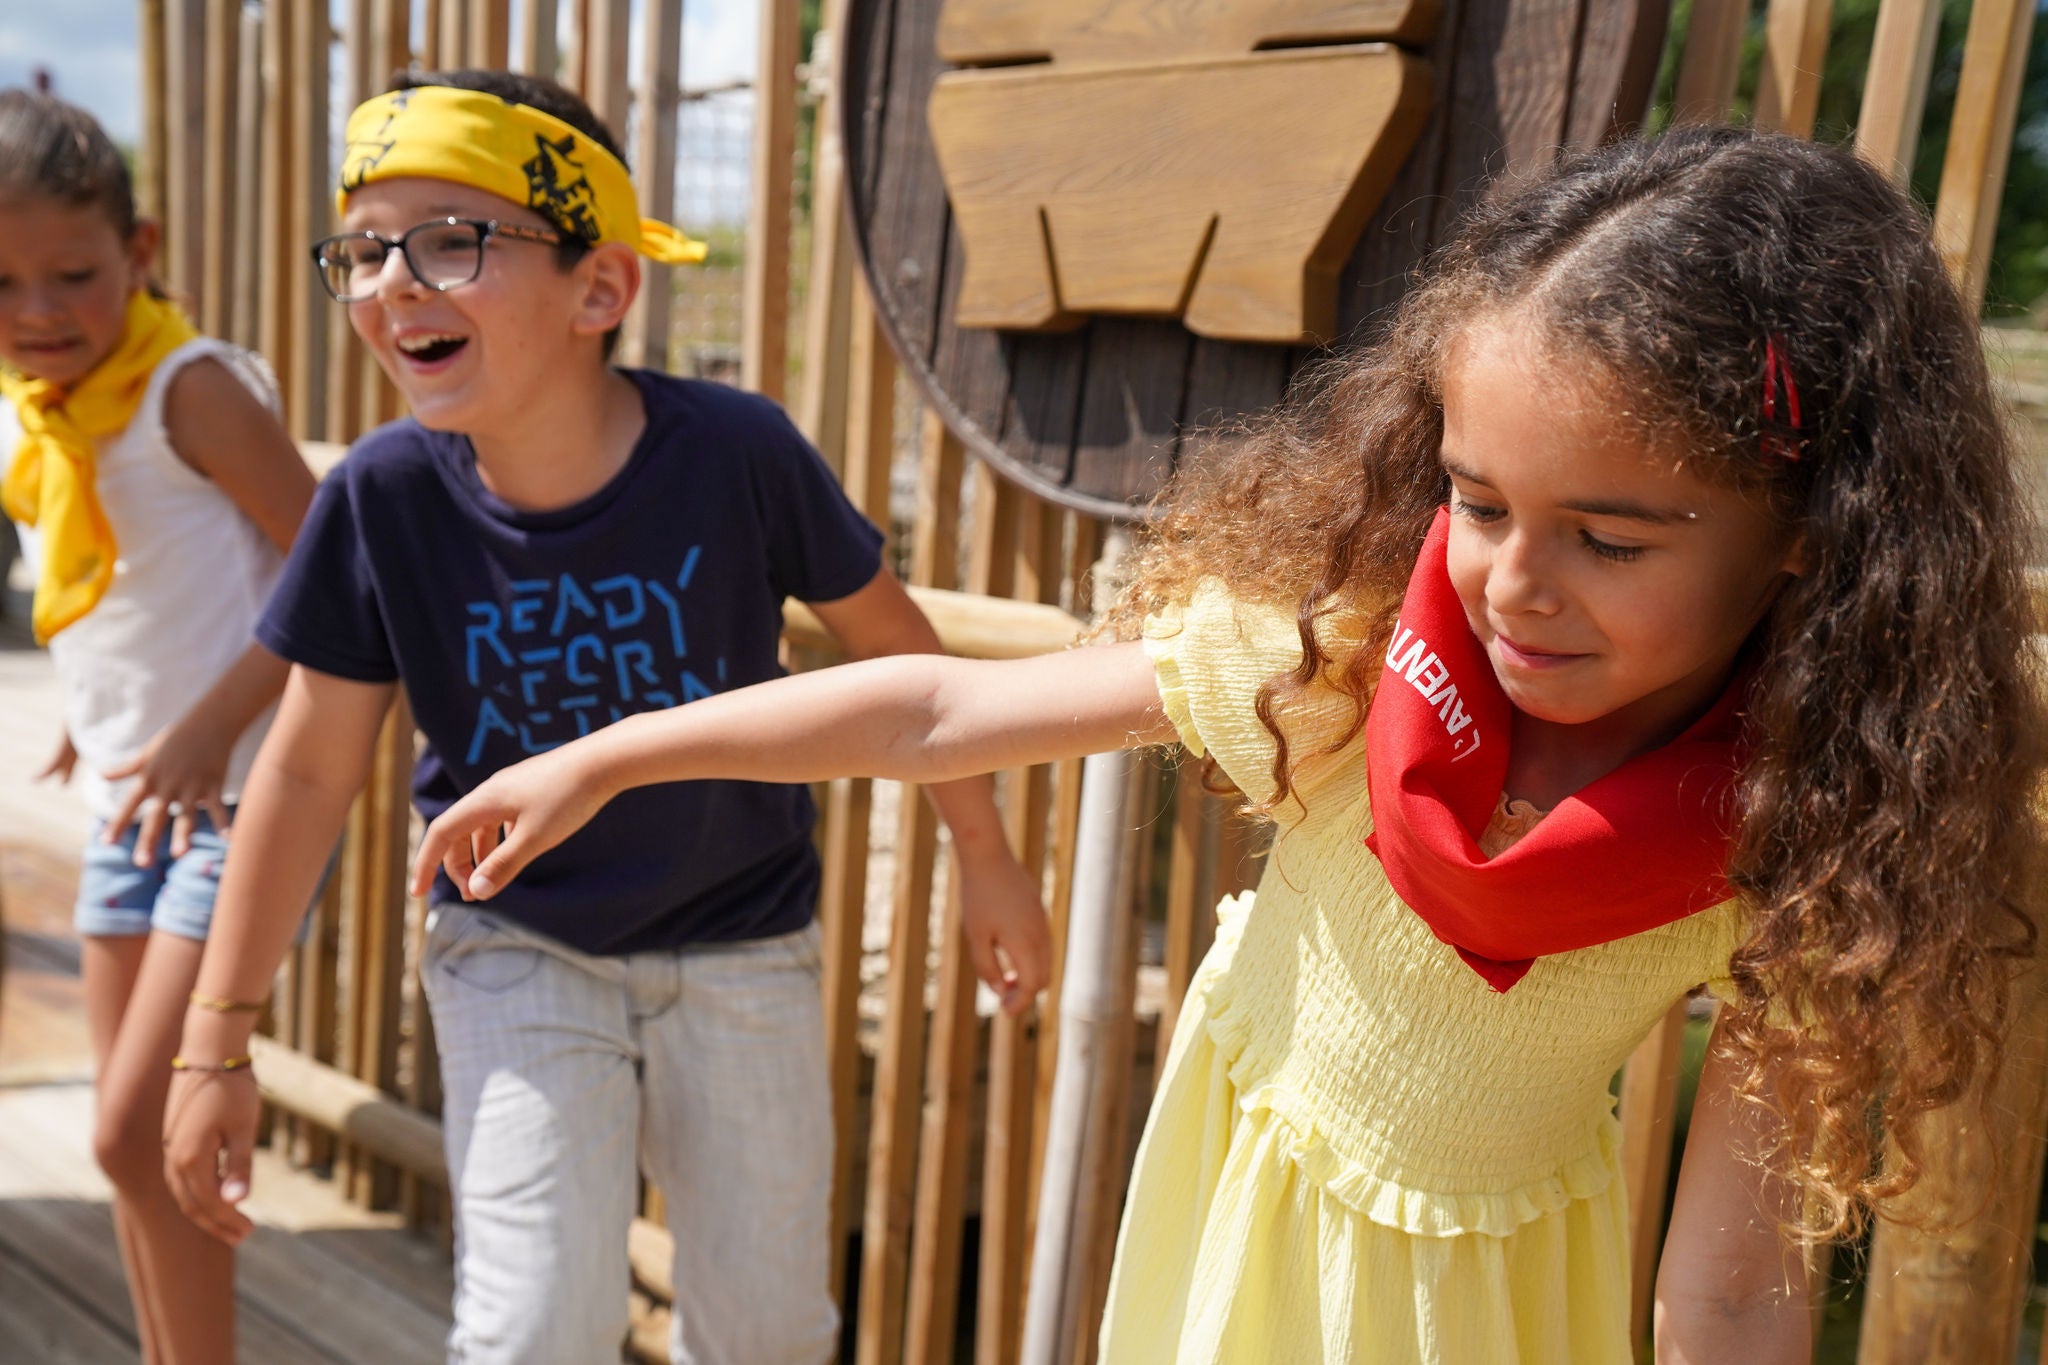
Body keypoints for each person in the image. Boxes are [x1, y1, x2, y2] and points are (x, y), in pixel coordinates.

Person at [283, 125, 2046, 1361]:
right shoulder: (1357, 659)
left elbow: (1731, 1296)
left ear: (1809, 528)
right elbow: (936, 703)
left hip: (1491, 1314)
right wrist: (620, 749)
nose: (1513, 583)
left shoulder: (1814, 841)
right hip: (1236, 1249)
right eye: (1476, 498)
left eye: (1612, 535)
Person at [158, 69, 1050, 1365]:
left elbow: (896, 657)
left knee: (767, 1335)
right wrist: (213, 1042)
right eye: (361, 252)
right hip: (512, 945)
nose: (393, 282)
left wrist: (985, 852)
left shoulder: (739, 452)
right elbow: (303, 774)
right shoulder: (381, 497)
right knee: (530, 1333)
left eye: (451, 241)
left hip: (747, 943)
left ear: (602, 289)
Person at [0, 88, 316, 1364]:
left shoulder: (189, 392)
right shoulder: (46, 410)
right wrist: (104, 719)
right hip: (134, 800)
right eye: (3, 283)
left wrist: (203, 728)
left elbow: (333, 578)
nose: (37, 312)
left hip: (234, 799)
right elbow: (133, 598)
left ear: (143, 250)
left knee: (140, 1126)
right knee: (126, 1145)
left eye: (72, 275)